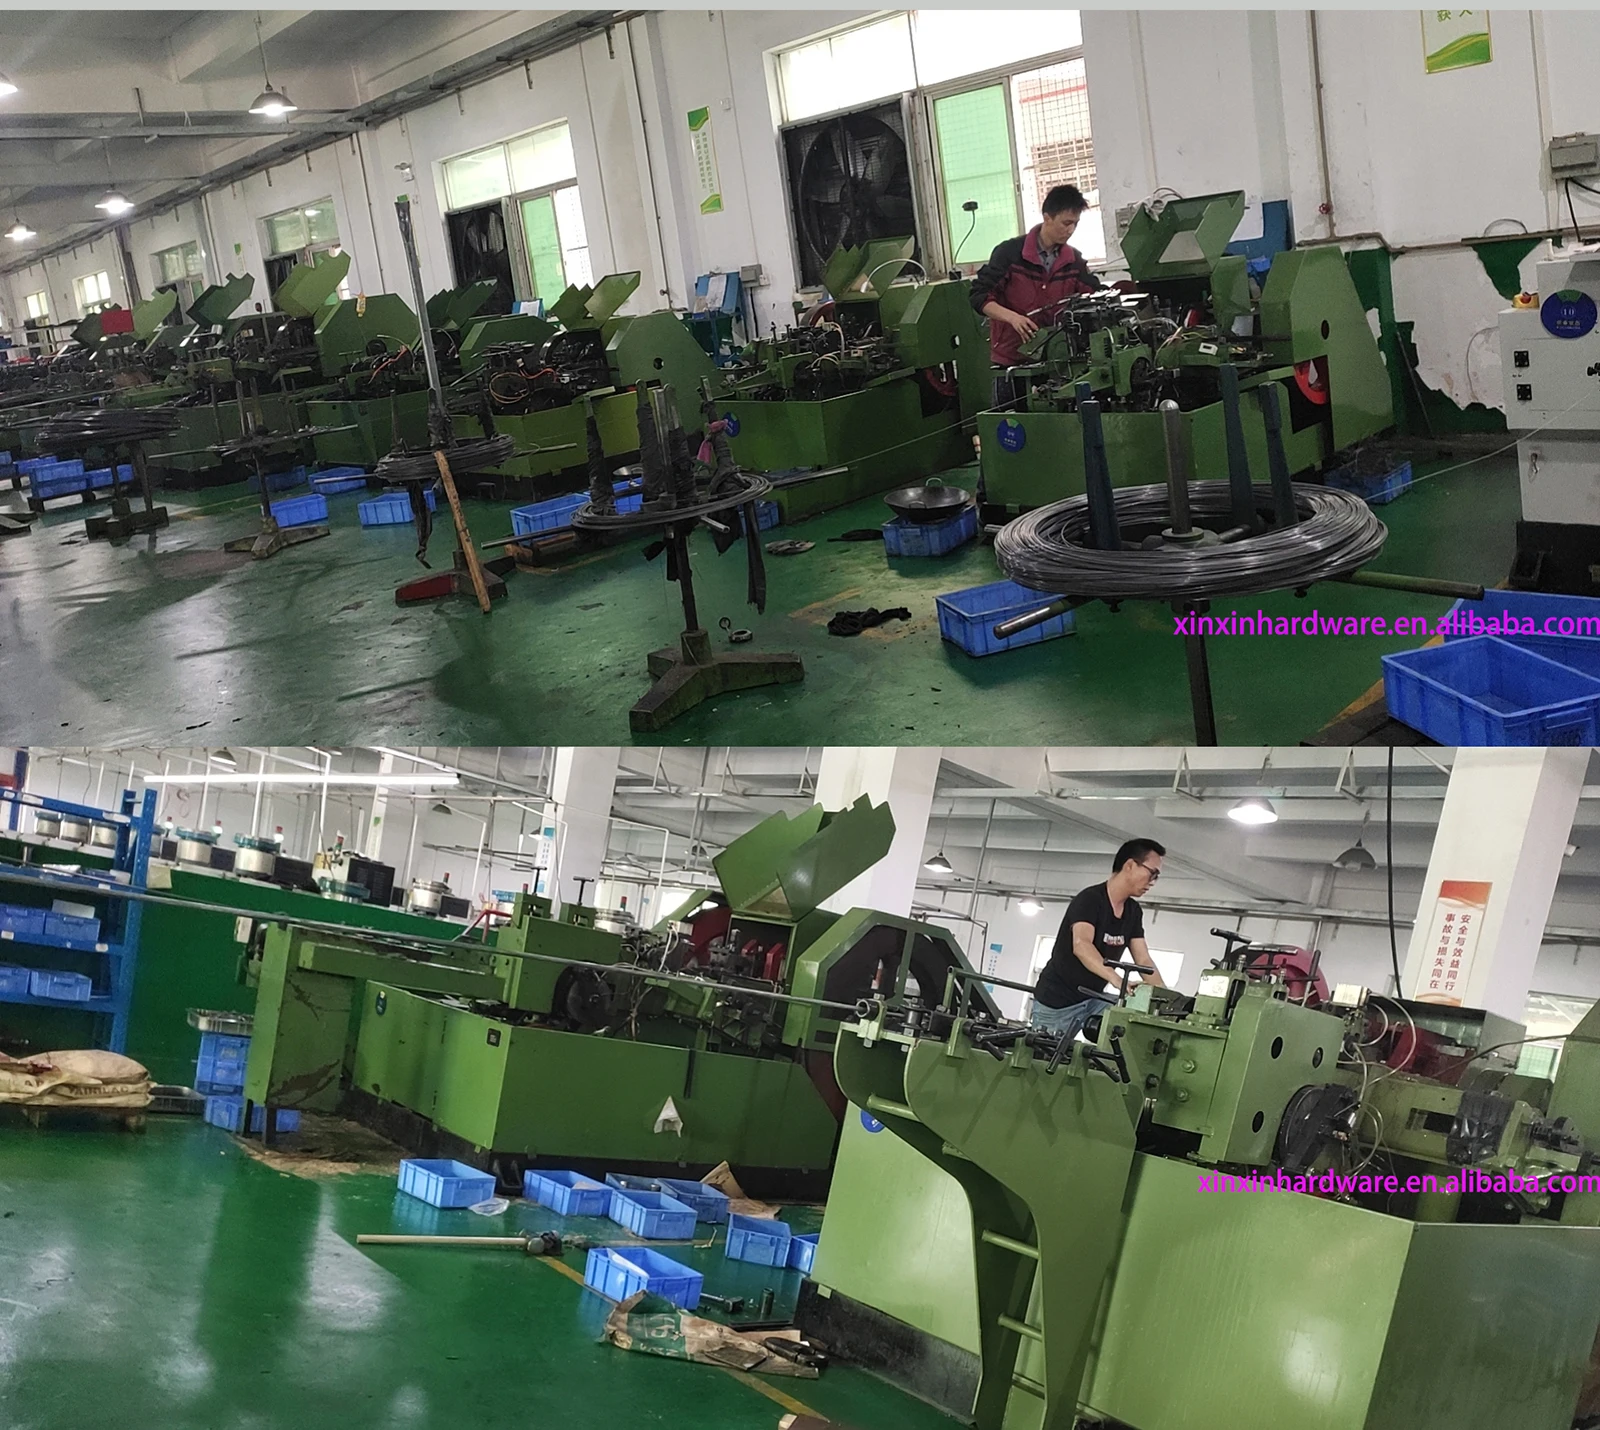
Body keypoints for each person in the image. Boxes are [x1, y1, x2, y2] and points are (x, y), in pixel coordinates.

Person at [970, 184, 1102, 401]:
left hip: (1057, 363)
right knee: (1010, 420)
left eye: (1075, 224)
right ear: (1047, 218)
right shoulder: (1010, 254)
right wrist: (1013, 318)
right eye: (1066, 223)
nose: (1071, 230)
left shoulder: (1073, 261)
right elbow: (979, 296)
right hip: (1012, 363)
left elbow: (1096, 294)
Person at [1031, 838, 1167, 1040]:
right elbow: (1081, 945)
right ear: (1130, 865)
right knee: (1044, 1055)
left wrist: (1166, 999)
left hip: (1093, 999)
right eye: (1152, 873)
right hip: (1057, 1000)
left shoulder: (1133, 911)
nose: (1152, 882)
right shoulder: (1090, 900)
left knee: (1130, 1025)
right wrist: (1117, 980)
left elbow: (1143, 960)